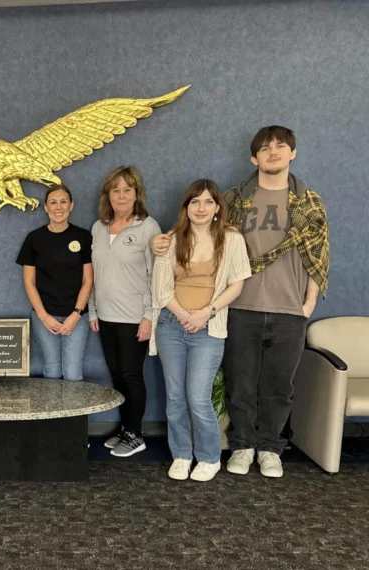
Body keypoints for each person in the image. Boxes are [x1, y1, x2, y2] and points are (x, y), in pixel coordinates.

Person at [152, 126, 330, 478]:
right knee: (241, 383)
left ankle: (270, 449)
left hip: (289, 307)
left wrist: (309, 303)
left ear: (292, 153)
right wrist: (161, 242)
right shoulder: (234, 200)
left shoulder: (309, 202)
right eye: (266, 148)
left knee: (279, 386)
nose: (273, 152)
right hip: (240, 308)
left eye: (281, 147)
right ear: (254, 158)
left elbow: (319, 255)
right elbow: (197, 228)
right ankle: (243, 446)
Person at [150, 179, 251, 482]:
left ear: (218, 207)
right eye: (195, 202)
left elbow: (237, 284)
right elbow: (160, 288)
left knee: (198, 397)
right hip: (172, 326)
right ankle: (181, 454)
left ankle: (209, 457)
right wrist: (184, 315)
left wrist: (205, 314)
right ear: (186, 207)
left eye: (208, 201)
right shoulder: (170, 240)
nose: (201, 208)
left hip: (209, 327)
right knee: (175, 398)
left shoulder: (231, 239)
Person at [88, 166, 161, 458]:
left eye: (127, 190)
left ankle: (136, 434)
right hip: (106, 316)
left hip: (134, 317)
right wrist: (93, 311)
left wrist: (148, 316)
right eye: (115, 190)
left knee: (131, 375)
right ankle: (125, 429)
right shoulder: (98, 227)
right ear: (108, 195)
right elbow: (94, 274)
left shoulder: (148, 227)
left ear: (136, 194)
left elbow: (156, 275)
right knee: (117, 375)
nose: (121, 195)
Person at [16, 185, 93, 380]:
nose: (58, 207)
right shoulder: (34, 239)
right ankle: (54, 412)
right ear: (45, 207)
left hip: (77, 317)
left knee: (73, 372)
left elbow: (88, 280)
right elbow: (29, 282)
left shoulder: (83, 237)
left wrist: (76, 315)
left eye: (63, 202)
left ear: (71, 205)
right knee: (51, 371)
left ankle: (72, 412)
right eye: (53, 202)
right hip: (44, 316)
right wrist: (44, 317)